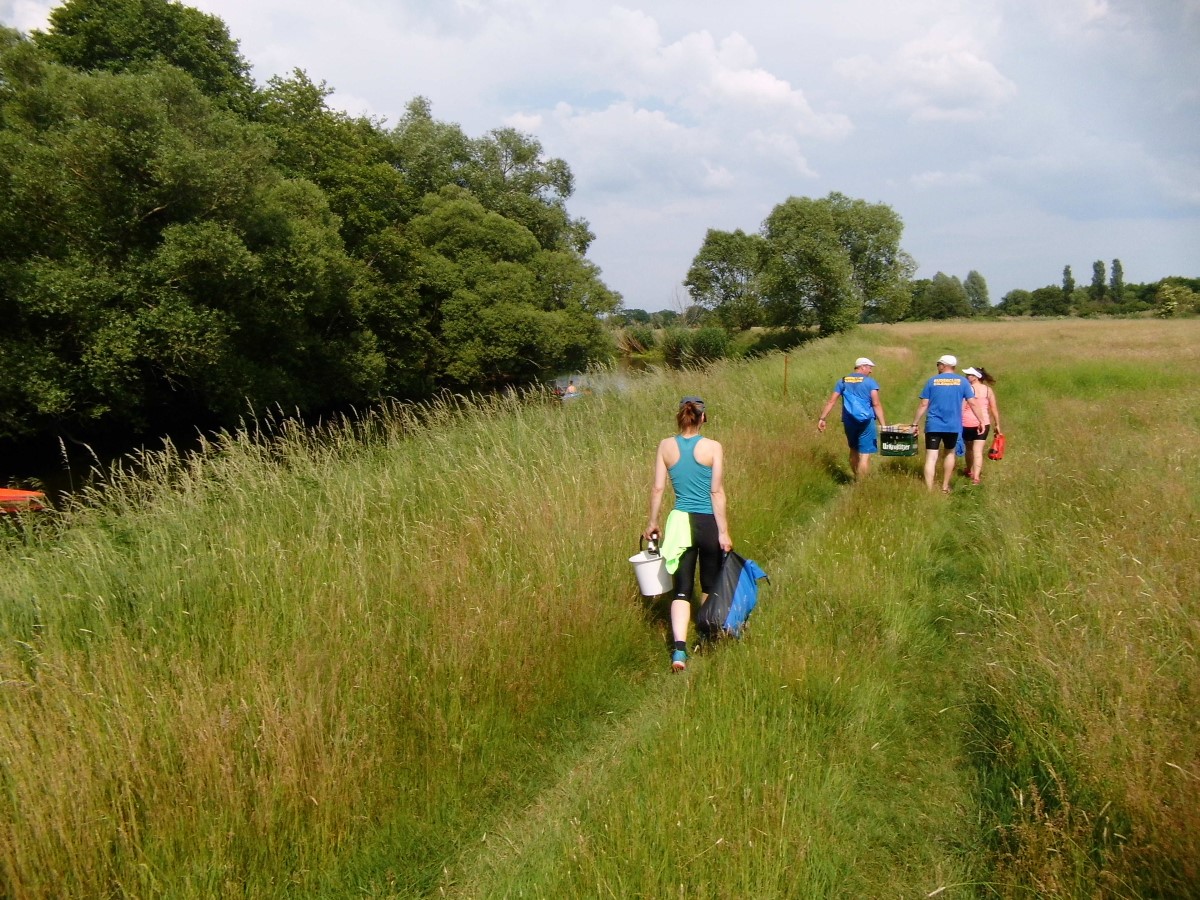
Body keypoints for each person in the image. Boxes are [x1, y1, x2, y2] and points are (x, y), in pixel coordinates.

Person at [643, 396, 732, 672]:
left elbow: (658, 488)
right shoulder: (713, 447)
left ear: (681, 416)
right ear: (703, 417)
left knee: (681, 589)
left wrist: (653, 522)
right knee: (708, 585)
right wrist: (724, 532)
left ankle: (679, 651)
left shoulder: (665, 446)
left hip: (680, 522)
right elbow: (716, 492)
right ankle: (706, 638)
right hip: (708, 522)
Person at [912, 355, 985, 493]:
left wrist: (915, 423)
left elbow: (923, 404)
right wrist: (981, 420)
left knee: (931, 457)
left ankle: (929, 490)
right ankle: (945, 487)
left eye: (938, 364)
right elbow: (973, 403)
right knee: (950, 453)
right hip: (952, 425)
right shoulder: (963, 382)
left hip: (933, 424)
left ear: (943, 366)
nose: (937, 366)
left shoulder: (932, 381)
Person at [817, 357, 887, 479]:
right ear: (862, 367)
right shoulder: (870, 382)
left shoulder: (842, 381)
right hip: (867, 421)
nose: (870, 371)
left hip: (849, 421)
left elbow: (831, 401)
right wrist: (883, 425)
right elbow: (876, 404)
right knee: (865, 454)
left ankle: (856, 477)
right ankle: (862, 483)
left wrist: (822, 418)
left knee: (853, 449)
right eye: (869, 368)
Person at [961, 366, 1001, 485]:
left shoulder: (967, 389)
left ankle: (969, 470)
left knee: (969, 449)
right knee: (978, 451)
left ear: (976, 377)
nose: (966, 376)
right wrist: (997, 424)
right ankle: (976, 477)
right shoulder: (988, 390)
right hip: (984, 423)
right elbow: (993, 408)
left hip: (967, 423)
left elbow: (962, 407)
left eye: (969, 375)